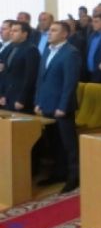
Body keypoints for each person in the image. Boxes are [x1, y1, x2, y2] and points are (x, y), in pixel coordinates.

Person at [35, 21, 81, 193]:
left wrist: (63, 106)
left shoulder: (71, 53)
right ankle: (58, 173)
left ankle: (74, 177)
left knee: (68, 144)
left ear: (64, 34)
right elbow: (41, 78)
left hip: (62, 107)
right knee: (54, 143)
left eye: (54, 30)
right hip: (46, 104)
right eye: (49, 30)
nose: (49, 33)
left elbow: (70, 83)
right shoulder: (47, 50)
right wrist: (38, 101)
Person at [0, 22, 40, 113]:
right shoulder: (9, 48)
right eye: (11, 31)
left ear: (24, 34)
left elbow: (30, 77)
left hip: (20, 99)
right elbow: (4, 73)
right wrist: (1, 94)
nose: (11, 33)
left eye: (15, 31)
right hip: (6, 96)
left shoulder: (31, 49)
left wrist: (22, 99)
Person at [86, 14, 101, 83]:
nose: (93, 24)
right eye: (92, 22)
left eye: (96, 22)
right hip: (89, 72)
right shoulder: (91, 35)